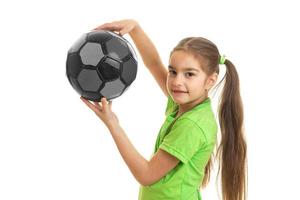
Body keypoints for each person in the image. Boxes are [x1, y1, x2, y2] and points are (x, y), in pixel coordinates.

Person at [80, 19, 247, 200]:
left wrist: (113, 125)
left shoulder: (191, 125)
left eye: (189, 74)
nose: (176, 81)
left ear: (210, 81)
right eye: (173, 71)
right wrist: (135, 28)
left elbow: (146, 174)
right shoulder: (184, 105)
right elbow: (153, 63)